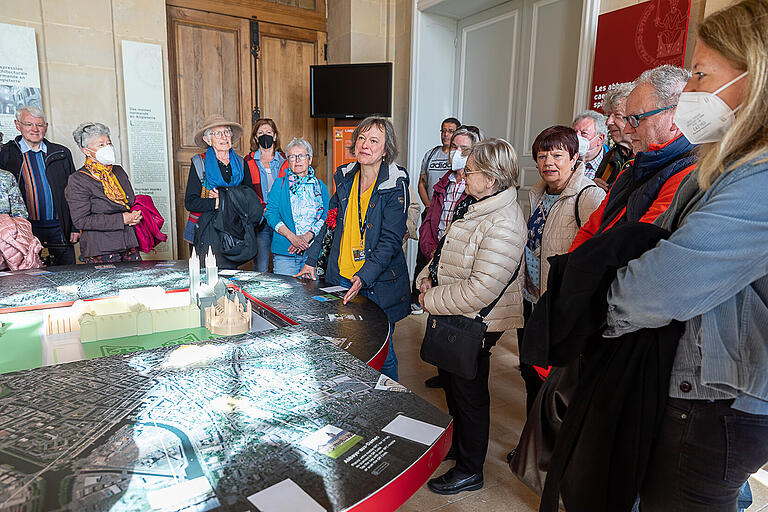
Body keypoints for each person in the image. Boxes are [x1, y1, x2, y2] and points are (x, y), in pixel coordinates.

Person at [605, 1, 768, 509]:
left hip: (718, 399)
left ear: (756, 74)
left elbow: (658, 285)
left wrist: (600, 299)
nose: (690, 93)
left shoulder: (759, 179)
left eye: (699, 75)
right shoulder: (727, 166)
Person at [416, 138, 525, 495]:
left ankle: (470, 469)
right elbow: (449, 246)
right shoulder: (478, 205)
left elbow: (481, 288)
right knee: (453, 384)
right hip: (456, 311)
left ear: (491, 179)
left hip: (477, 320)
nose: (464, 174)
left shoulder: (504, 221)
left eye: (472, 170)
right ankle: (461, 449)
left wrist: (430, 298)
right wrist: (427, 272)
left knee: (469, 394)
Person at [296, 116, 410, 382]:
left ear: (386, 149)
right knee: (346, 346)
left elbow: (390, 241)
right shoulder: (346, 177)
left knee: (383, 352)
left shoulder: (395, 184)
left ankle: (388, 402)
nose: (365, 145)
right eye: (361, 138)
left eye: (373, 141)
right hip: (342, 277)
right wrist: (312, 260)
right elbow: (330, 222)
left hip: (376, 283)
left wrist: (364, 276)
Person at [519, 126, 605, 411]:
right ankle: (530, 445)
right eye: (542, 156)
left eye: (557, 155)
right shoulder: (538, 194)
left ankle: (549, 451)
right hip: (532, 301)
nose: (548, 163)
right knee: (530, 373)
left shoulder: (588, 196)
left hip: (561, 306)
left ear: (575, 157)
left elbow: (597, 256)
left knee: (556, 385)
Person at [570, 64, 696, 251]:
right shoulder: (632, 170)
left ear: (675, 118)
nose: (627, 129)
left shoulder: (690, 175)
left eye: (636, 119)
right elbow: (590, 229)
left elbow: (634, 250)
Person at [418, 125, 481, 390]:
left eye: (464, 149)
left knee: (456, 321)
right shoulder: (444, 182)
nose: (457, 153)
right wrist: (430, 248)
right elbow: (432, 217)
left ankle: (456, 375)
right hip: (437, 257)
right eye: (454, 148)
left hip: (460, 263)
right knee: (437, 319)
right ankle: (443, 372)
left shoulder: (476, 186)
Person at [0, 105, 78, 265]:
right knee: (32, 276)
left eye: (39, 125)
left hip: (60, 227)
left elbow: (75, 193)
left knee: (68, 275)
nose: (34, 129)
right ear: (17, 125)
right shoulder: (6, 153)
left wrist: (75, 227)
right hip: (26, 230)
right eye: (29, 124)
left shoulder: (62, 153)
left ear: (46, 127)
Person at [184, 114, 256, 270]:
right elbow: (190, 202)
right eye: (217, 133)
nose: (224, 137)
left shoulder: (242, 163)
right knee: (208, 280)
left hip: (234, 230)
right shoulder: (199, 163)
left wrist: (225, 198)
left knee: (230, 278)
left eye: (227, 132)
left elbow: (250, 198)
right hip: (206, 231)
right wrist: (218, 202)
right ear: (207, 140)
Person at [64, 123, 141, 263]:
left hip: (129, 244)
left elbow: (129, 203)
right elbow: (81, 221)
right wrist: (122, 219)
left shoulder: (118, 171)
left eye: (109, 143)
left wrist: (134, 215)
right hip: (101, 249)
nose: (108, 148)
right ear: (86, 151)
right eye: (101, 145)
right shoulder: (78, 180)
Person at [411, 116, 460, 315]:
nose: (446, 134)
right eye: (443, 130)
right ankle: (416, 299)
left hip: (450, 215)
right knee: (423, 255)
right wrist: (430, 206)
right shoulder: (431, 154)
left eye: (450, 131)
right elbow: (421, 182)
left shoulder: (459, 157)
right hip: (431, 211)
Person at [264, 138, 329, 275]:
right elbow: (271, 215)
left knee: (309, 294)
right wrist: (293, 238)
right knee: (285, 295)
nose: (297, 160)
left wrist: (307, 237)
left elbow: (325, 216)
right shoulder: (279, 184)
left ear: (309, 159)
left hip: (311, 254)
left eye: (301, 156)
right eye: (292, 157)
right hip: (285, 252)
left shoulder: (320, 186)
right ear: (288, 161)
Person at [244, 118, 287, 272]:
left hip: (282, 220)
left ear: (275, 136)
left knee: (283, 264)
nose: (265, 136)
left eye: (268, 132)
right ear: (255, 137)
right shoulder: (248, 161)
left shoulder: (285, 160)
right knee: (261, 266)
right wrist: (262, 209)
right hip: (260, 220)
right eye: (260, 133)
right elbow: (247, 192)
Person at [594, 82, 635, 191]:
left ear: (635, 117)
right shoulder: (610, 156)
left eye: (617, 115)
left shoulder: (648, 156)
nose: (608, 122)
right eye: (608, 116)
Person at [572, 110, 608, 180]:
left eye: (584, 133)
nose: (576, 137)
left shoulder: (610, 165)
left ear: (600, 139)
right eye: (574, 132)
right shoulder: (566, 159)